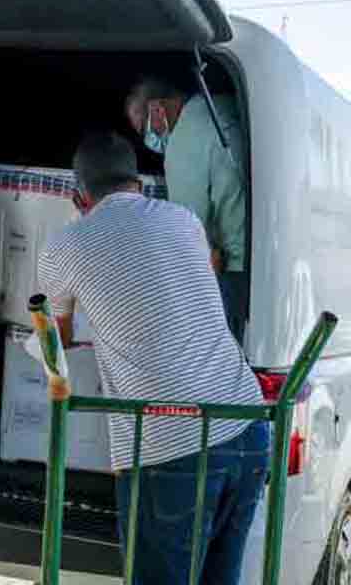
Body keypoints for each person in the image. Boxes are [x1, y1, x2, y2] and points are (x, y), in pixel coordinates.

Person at [38, 131, 267, 585]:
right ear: (138, 184)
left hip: (170, 444)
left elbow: (54, 343)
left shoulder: (63, 246)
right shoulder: (183, 219)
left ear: (77, 195)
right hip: (246, 425)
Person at [125, 76, 249, 342]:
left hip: (233, 269)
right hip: (259, 257)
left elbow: (187, 233)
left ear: (158, 109)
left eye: (145, 129)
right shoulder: (221, 107)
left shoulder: (183, 141)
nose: (150, 138)